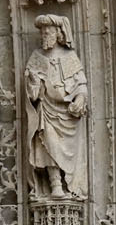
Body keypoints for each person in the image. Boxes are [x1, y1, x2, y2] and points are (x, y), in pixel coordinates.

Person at [26, 15, 90, 200]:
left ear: (58, 33)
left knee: (64, 147)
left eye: (49, 31)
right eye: (42, 31)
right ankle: (55, 184)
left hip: (67, 113)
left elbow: (81, 85)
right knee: (48, 141)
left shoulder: (69, 57)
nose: (45, 34)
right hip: (47, 109)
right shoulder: (36, 58)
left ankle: (70, 184)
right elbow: (32, 95)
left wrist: (80, 98)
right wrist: (32, 82)